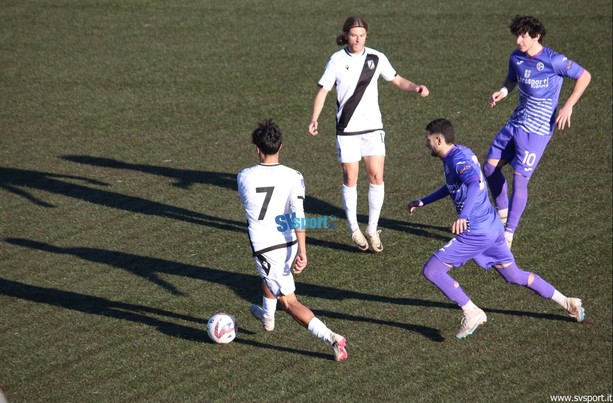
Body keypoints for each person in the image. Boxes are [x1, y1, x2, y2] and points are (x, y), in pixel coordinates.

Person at [406, 118, 585, 339]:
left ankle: (472, 311)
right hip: (492, 228)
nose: (426, 144)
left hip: (476, 232)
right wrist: (424, 201)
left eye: (429, 140)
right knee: (515, 275)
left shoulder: (457, 160)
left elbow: (473, 183)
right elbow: (454, 185)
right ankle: (567, 301)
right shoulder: (459, 153)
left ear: (440, 139)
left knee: (432, 270)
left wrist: (463, 216)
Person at [308, 16, 429, 252]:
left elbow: (396, 79)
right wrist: (314, 119)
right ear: (346, 35)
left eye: (362, 35)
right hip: (347, 130)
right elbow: (323, 91)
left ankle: (372, 229)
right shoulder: (336, 60)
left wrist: (416, 87)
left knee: (376, 177)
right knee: (351, 178)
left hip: (373, 128)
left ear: (366, 36)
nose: (358, 39)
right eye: (354, 35)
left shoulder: (376, 57)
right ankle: (354, 229)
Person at [237, 119, 348, 362]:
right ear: (281, 146)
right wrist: (303, 251)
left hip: (266, 248)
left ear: (257, 148)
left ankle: (332, 338)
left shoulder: (243, 176)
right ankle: (267, 318)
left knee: (289, 302)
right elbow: (298, 215)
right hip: (289, 244)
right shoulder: (294, 176)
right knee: (270, 278)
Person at [484, 15, 591, 249]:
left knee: (520, 179)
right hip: (516, 122)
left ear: (536, 36)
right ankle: (502, 216)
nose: (519, 40)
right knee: (490, 167)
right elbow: (512, 79)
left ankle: (508, 235)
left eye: (523, 36)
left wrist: (568, 105)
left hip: (537, 130)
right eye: (517, 35)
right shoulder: (516, 58)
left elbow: (584, 76)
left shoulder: (554, 60)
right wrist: (502, 92)